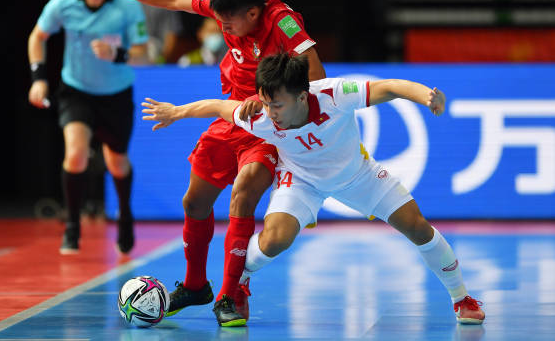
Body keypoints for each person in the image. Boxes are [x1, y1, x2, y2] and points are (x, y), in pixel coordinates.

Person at [141, 52, 486, 326]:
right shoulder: (259, 115)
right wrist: (177, 112)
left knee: (418, 228)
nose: (271, 113)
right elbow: (217, 106)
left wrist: (426, 96)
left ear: (303, 96)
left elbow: (390, 86)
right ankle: (240, 279)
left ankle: (462, 299)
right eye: (266, 102)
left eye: (278, 105)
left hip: (357, 176)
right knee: (275, 239)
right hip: (301, 180)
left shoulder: (336, 94)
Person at [83, 0, 326, 326]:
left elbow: (317, 77)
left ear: (254, 13)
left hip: (269, 126)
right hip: (233, 115)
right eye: (219, 16)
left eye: (229, 19)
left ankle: (230, 295)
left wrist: (272, 101)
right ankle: (196, 285)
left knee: (243, 194)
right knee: (194, 202)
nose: (222, 25)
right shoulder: (225, 7)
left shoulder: (282, 23)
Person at [27, 0, 149, 255]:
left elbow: (144, 54)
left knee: (117, 163)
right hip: (75, 90)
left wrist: (117, 53)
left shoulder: (127, 5)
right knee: (76, 154)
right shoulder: (63, 2)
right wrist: (39, 79)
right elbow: (37, 37)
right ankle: (72, 226)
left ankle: (125, 215)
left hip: (116, 94)